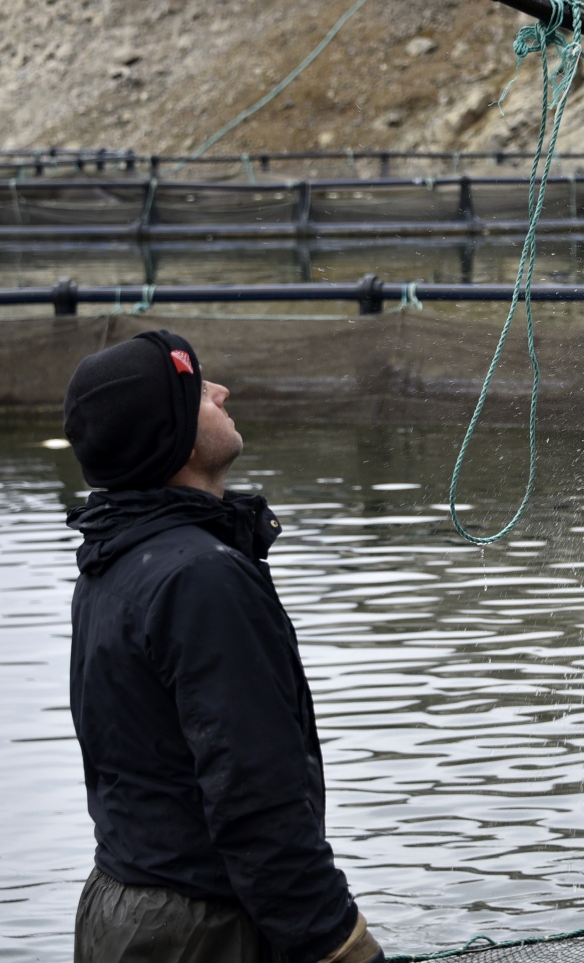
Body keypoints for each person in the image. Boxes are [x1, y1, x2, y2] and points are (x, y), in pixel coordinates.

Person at [63, 331, 383, 963]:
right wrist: (335, 939)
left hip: (120, 906)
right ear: (173, 434)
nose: (221, 391)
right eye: (199, 389)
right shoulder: (201, 577)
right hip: (198, 929)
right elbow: (254, 794)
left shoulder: (115, 561)